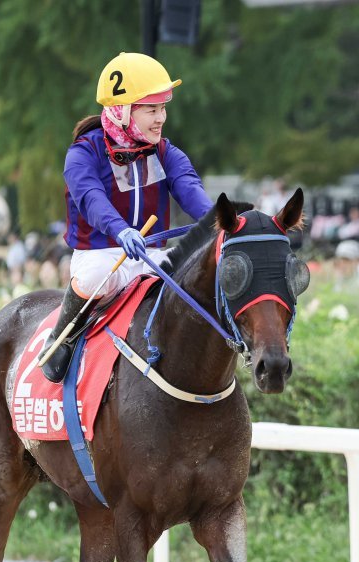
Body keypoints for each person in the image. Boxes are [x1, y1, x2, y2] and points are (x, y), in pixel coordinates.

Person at [41, 52, 215, 382]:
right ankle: (60, 339)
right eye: (151, 109)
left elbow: (190, 187)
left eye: (163, 108)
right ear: (122, 111)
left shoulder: (164, 151)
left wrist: (220, 220)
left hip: (152, 254)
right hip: (102, 255)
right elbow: (91, 199)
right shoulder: (83, 153)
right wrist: (120, 231)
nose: (160, 117)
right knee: (97, 279)